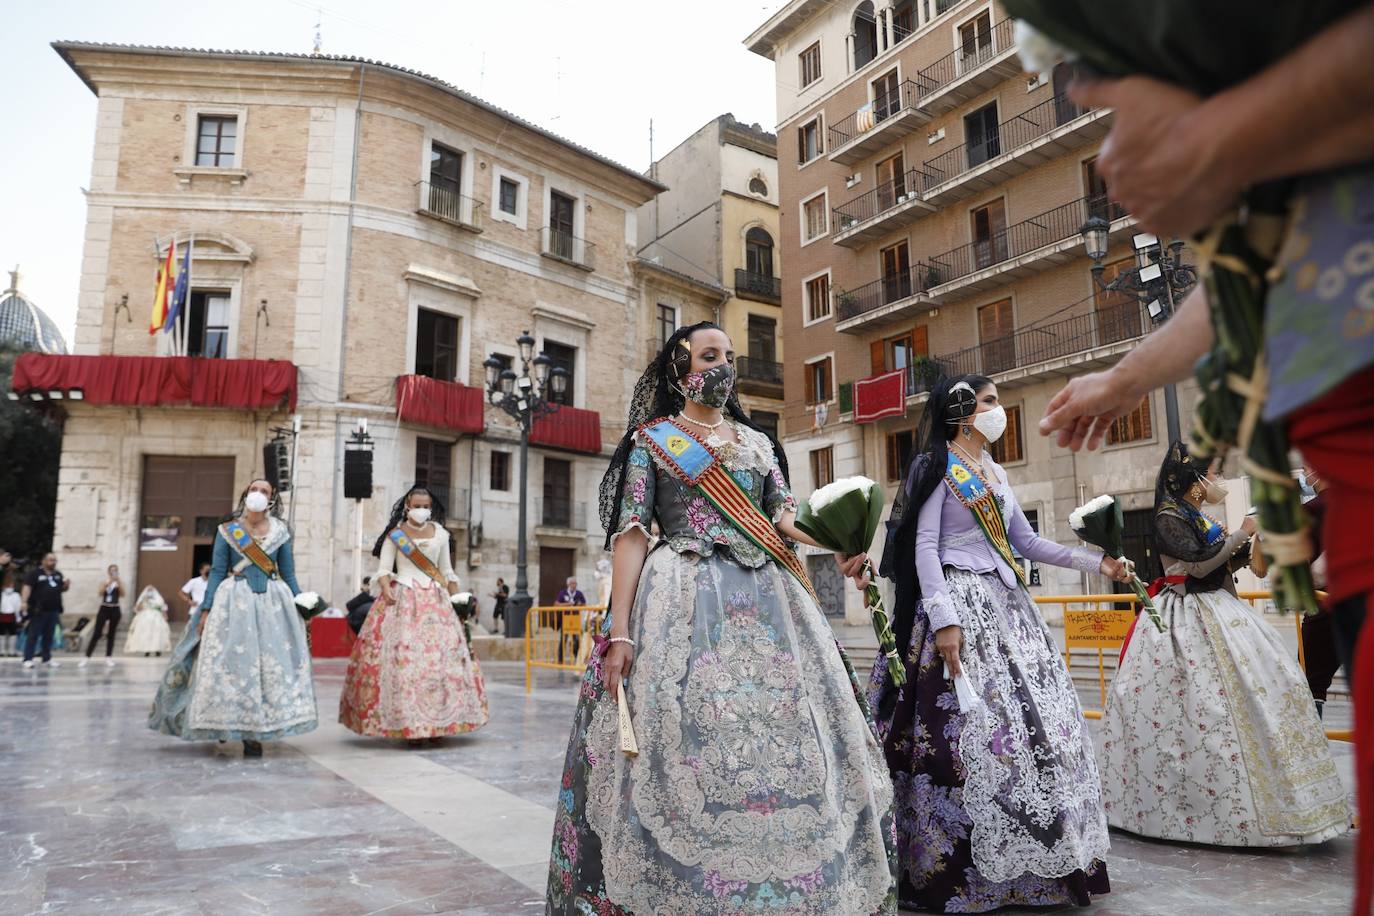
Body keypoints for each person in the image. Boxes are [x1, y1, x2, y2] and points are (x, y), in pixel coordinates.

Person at [545, 322, 897, 915]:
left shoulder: (757, 443)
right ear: (681, 367)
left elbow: (784, 518)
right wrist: (621, 629)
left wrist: (838, 547)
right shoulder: (653, 439)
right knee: (683, 740)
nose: (725, 367)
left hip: (769, 597)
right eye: (712, 356)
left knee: (784, 736)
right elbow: (631, 535)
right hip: (679, 593)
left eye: (729, 356)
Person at [868, 375, 1133, 913]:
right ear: (963, 412)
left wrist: (1095, 561)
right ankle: (961, 872)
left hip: (1009, 606)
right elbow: (923, 546)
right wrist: (944, 619)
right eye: (989, 402)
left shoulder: (996, 471)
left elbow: (1026, 543)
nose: (998, 410)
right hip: (960, 604)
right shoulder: (937, 466)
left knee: (1035, 733)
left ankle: (1040, 860)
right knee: (968, 737)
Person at [1099, 442, 1351, 845]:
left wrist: (1249, 547)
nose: (1215, 481)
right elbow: (1197, 566)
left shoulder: (1193, 514)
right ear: (1191, 479)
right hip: (1186, 615)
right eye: (1211, 474)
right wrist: (1241, 535)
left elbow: (1218, 560)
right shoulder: (1167, 517)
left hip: (1217, 608)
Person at [148, 479, 317, 758]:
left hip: (274, 606)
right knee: (231, 665)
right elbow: (216, 572)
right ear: (245, 495)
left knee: (269, 666)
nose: (258, 494)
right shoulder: (228, 531)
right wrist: (206, 609)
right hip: (233, 602)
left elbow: (288, 573)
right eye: (254, 490)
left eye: (264, 491)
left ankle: (257, 732)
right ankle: (227, 723)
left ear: (272, 499)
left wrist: (303, 606)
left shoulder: (281, 532)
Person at [338, 486, 488, 747]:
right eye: (417, 505)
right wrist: (385, 589)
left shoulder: (440, 535)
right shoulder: (395, 535)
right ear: (407, 505)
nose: (421, 510)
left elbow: (447, 571)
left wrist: (458, 600)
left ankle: (439, 723)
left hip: (436, 602)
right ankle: (409, 724)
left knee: (439, 664)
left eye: (425, 506)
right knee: (405, 665)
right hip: (402, 600)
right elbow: (384, 570)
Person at [21, 553, 69, 669]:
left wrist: (66, 586)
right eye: (51, 560)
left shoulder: (57, 574)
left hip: (53, 609)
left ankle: (46, 658)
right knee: (33, 635)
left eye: (54, 560)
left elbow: (61, 589)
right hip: (38, 609)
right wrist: (24, 602)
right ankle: (28, 658)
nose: (53, 562)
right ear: (43, 561)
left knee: (49, 635)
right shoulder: (35, 574)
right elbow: (27, 587)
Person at [80, 564, 124, 668]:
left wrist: (118, 583)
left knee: (111, 634)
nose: (114, 572)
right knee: (97, 633)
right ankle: (87, 657)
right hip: (104, 608)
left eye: (115, 571)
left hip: (115, 608)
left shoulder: (119, 582)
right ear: (108, 572)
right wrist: (108, 584)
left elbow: (123, 594)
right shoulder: (104, 582)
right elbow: (100, 593)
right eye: (112, 571)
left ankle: (108, 657)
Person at [124, 585, 172, 656]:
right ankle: (147, 650)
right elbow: (137, 609)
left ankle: (157, 649)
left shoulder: (159, 599)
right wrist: (143, 600)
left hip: (156, 617)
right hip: (145, 617)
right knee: (146, 634)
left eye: (151, 590)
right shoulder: (143, 599)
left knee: (157, 634)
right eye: (149, 590)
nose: (150, 592)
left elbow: (163, 608)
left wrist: (165, 616)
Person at [1, 578, 20, 657]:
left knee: (13, 634)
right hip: (2, 616)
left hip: (12, 616)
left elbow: (18, 607)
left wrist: (18, 617)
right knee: (1, 634)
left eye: (11, 585)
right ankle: (1, 650)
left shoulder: (16, 595)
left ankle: (12, 651)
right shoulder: (1, 594)